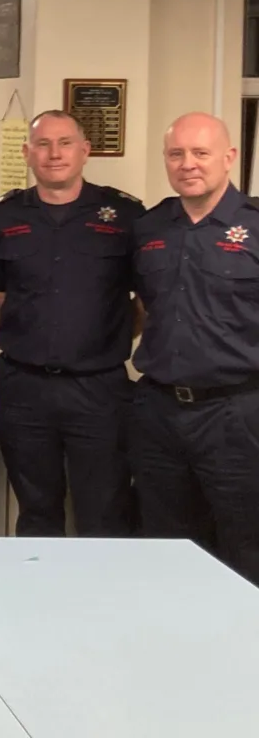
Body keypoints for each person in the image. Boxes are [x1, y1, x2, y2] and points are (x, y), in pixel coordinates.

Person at [0, 110, 141, 538]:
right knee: (36, 512)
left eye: (65, 143)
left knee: (105, 511)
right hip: (26, 388)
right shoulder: (2, 217)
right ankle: (39, 601)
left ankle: (100, 604)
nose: (54, 154)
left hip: (99, 389)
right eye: (44, 145)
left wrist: (110, 332)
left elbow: (147, 295)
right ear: (27, 153)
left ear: (85, 151)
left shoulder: (124, 216)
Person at [130, 112, 259, 584]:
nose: (188, 164)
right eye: (176, 154)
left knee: (243, 540)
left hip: (235, 412)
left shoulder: (255, 227)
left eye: (201, 153)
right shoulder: (149, 228)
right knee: (163, 539)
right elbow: (139, 305)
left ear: (228, 158)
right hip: (159, 410)